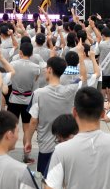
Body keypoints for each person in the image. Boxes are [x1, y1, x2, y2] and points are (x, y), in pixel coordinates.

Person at [23, 47, 89, 179]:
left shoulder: (38, 94)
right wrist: (81, 59)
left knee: (46, 179)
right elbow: (83, 77)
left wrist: (28, 140)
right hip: (67, 143)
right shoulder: (71, 89)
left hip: (46, 145)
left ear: (49, 70)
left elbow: (34, 121)